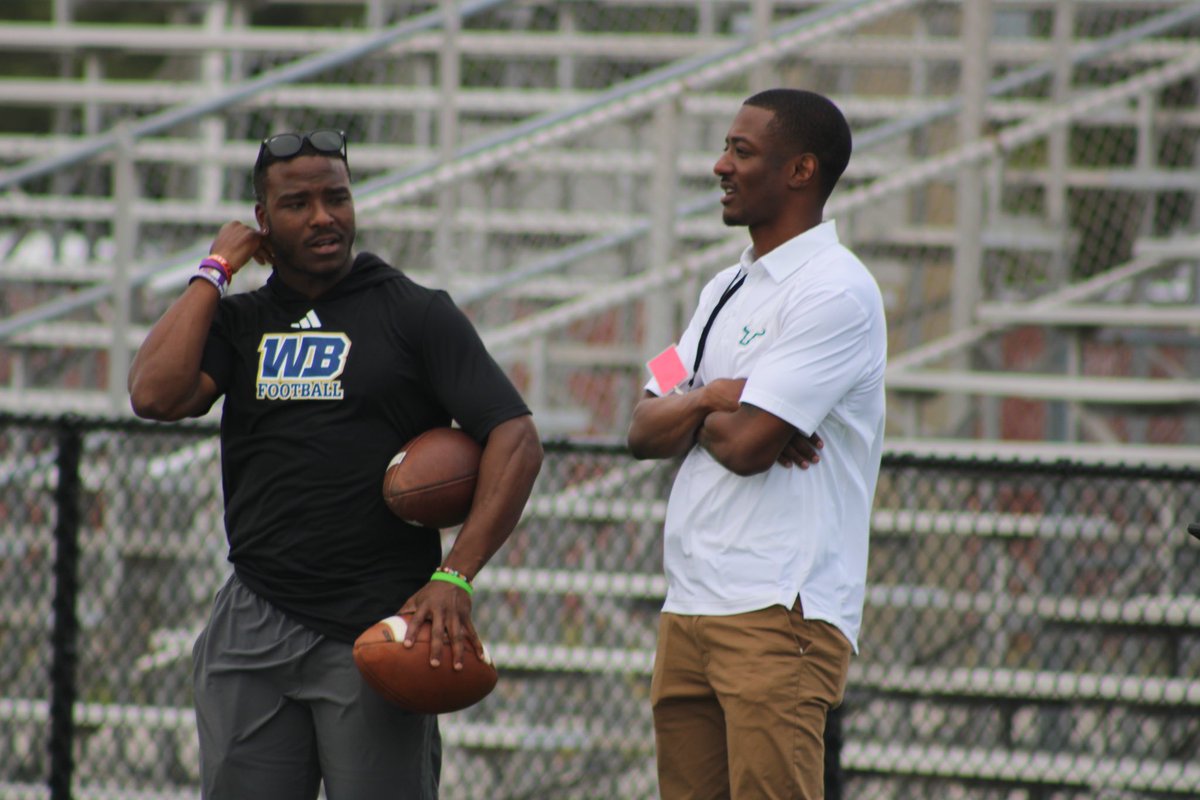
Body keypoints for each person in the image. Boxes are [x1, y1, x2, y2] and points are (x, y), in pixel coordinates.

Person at [128, 128, 543, 799]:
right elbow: (154, 394)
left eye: (338, 198)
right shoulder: (243, 322)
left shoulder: (413, 312)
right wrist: (215, 269)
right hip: (253, 616)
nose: (324, 216)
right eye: (298, 204)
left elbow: (516, 437)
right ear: (262, 223)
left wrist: (456, 577)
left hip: (375, 626)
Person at [626, 89, 887, 799]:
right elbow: (643, 423)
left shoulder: (835, 292)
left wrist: (706, 412)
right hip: (691, 605)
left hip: (778, 610)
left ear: (801, 170)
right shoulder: (722, 289)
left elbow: (746, 447)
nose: (721, 165)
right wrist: (714, 394)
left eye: (741, 151)